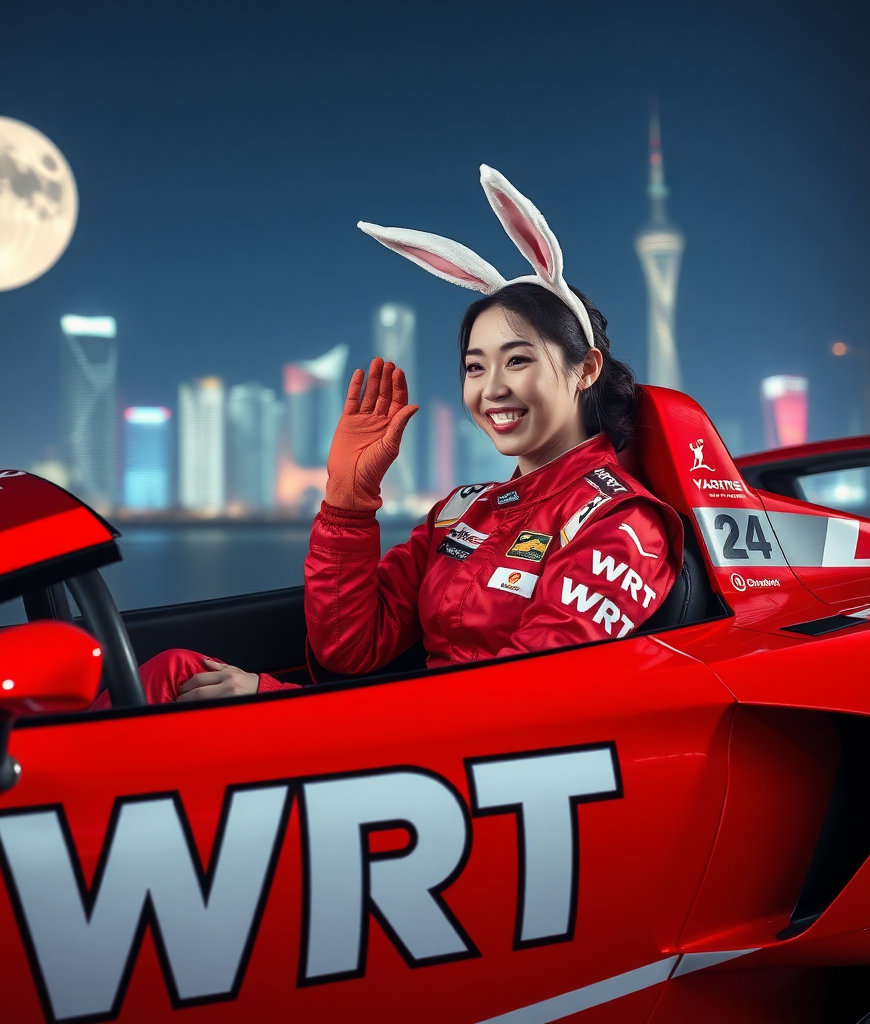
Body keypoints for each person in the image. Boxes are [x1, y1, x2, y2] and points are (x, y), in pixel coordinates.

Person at [91, 165, 682, 708]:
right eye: (475, 367)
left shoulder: (622, 526)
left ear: (586, 369)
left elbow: (512, 702)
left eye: (518, 360)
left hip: (474, 759)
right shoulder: (461, 513)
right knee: (175, 673)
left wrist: (271, 701)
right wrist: (347, 504)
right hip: (415, 730)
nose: (492, 388)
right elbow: (350, 650)